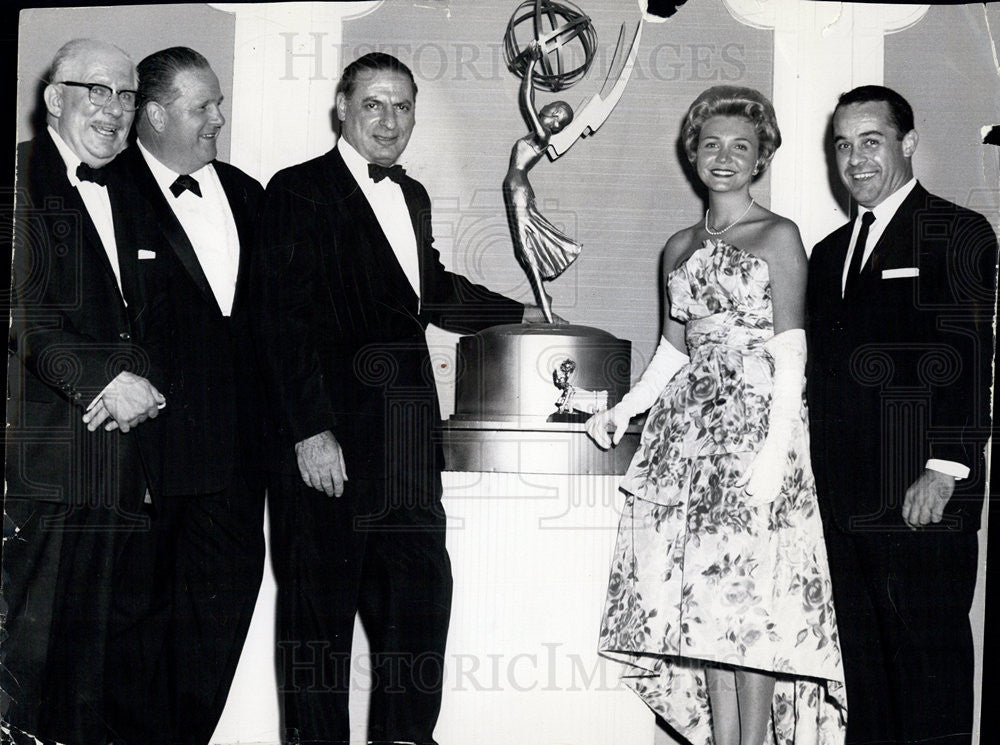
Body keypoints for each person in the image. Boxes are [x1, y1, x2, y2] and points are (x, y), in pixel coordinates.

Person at [253, 52, 546, 745]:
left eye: (403, 107)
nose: (390, 122)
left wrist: (523, 316)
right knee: (317, 627)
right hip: (331, 445)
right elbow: (278, 320)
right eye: (374, 106)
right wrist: (310, 431)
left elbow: (427, 287)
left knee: (418, 606)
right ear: (342, 110)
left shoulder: (410, 194)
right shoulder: (296, 191)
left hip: (409, 440)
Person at [585, 86, 846, 745]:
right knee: (704, 597)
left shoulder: (779, 235)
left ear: (761, 159)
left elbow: (793, 353)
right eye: (712, 145)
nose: (725, 158)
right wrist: (625, 410)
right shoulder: (676, 247)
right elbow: (673, 350)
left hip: (758, 432)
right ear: (692, 153)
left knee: (749, 598)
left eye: (741, 147)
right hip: (688, 442)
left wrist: (773, 458)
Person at [807, 85, 995, 745]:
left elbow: (971, 358)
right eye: (842, 144)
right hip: (844, 504)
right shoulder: (827, 254)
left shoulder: (959, 232)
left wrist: (945, 469)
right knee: (867, 686)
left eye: (871, 141)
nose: (855, 160)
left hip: (923, 496)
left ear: (908, 144)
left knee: (929, 677)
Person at [2, 38, 169, 745]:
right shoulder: (17, 174)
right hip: (39, 468)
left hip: (120, 469)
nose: (115, 109)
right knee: (22, 675)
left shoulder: (132, 189)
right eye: (97, 90)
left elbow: (153, 312)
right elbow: (20, 309)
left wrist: (150, 380)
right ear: (53, 97)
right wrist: (105, 380)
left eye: (127, 95)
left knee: (92, 683)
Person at [117, 46, 266, 745]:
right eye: (202, 106)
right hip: (143, 469)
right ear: (153, 113)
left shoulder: (245, 192)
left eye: (218, 103)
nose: (218, 118)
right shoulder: (106, 190)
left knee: (217, 635)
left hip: (237, 469)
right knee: (137, 649)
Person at [503, 40, 582, 323]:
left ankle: (546, 311)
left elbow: (527, 100)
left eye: (554, 106)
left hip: (519, 188)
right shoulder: (539, 132)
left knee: (526, 249)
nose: (547, 104)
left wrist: (533, 64)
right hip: (516, 186)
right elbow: (531, 95)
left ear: (555, 118)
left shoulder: (543, 135)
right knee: (523, 248)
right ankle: (543, 300)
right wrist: (528, 68)